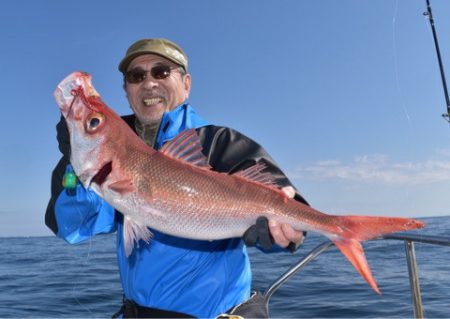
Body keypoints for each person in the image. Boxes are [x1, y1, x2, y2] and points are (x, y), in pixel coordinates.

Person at [45, 38, 308, 318]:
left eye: (161, 72)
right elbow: (73, 227)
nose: (149, 83)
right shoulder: (116, 146)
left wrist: (283, 233)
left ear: (186, 83)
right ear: (126, 90)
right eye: (136, 76)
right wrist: (75, 162)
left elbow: (289, 213)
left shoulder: (220, 143)